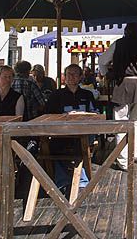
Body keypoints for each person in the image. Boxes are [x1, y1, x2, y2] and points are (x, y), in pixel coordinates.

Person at [98, 23, 137, 171]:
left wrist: (105, 74)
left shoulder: (119, 43)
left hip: (124, 83)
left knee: (121, 120)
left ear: (126, 31)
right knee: (136, 119)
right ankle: (134, 154)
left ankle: (123, 161)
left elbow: (102, 61)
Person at [46, 64, 97, 193]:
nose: (71, 77)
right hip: (62, 133)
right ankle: (63, 181)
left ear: (80, 77)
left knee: (81, 145)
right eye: (68, 74)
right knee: (54, 146)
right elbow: (49, 114)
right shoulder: (56, 95)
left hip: (84, 132)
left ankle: (81, 180)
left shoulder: (87, 94)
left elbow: (94, 113)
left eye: (75, 74)